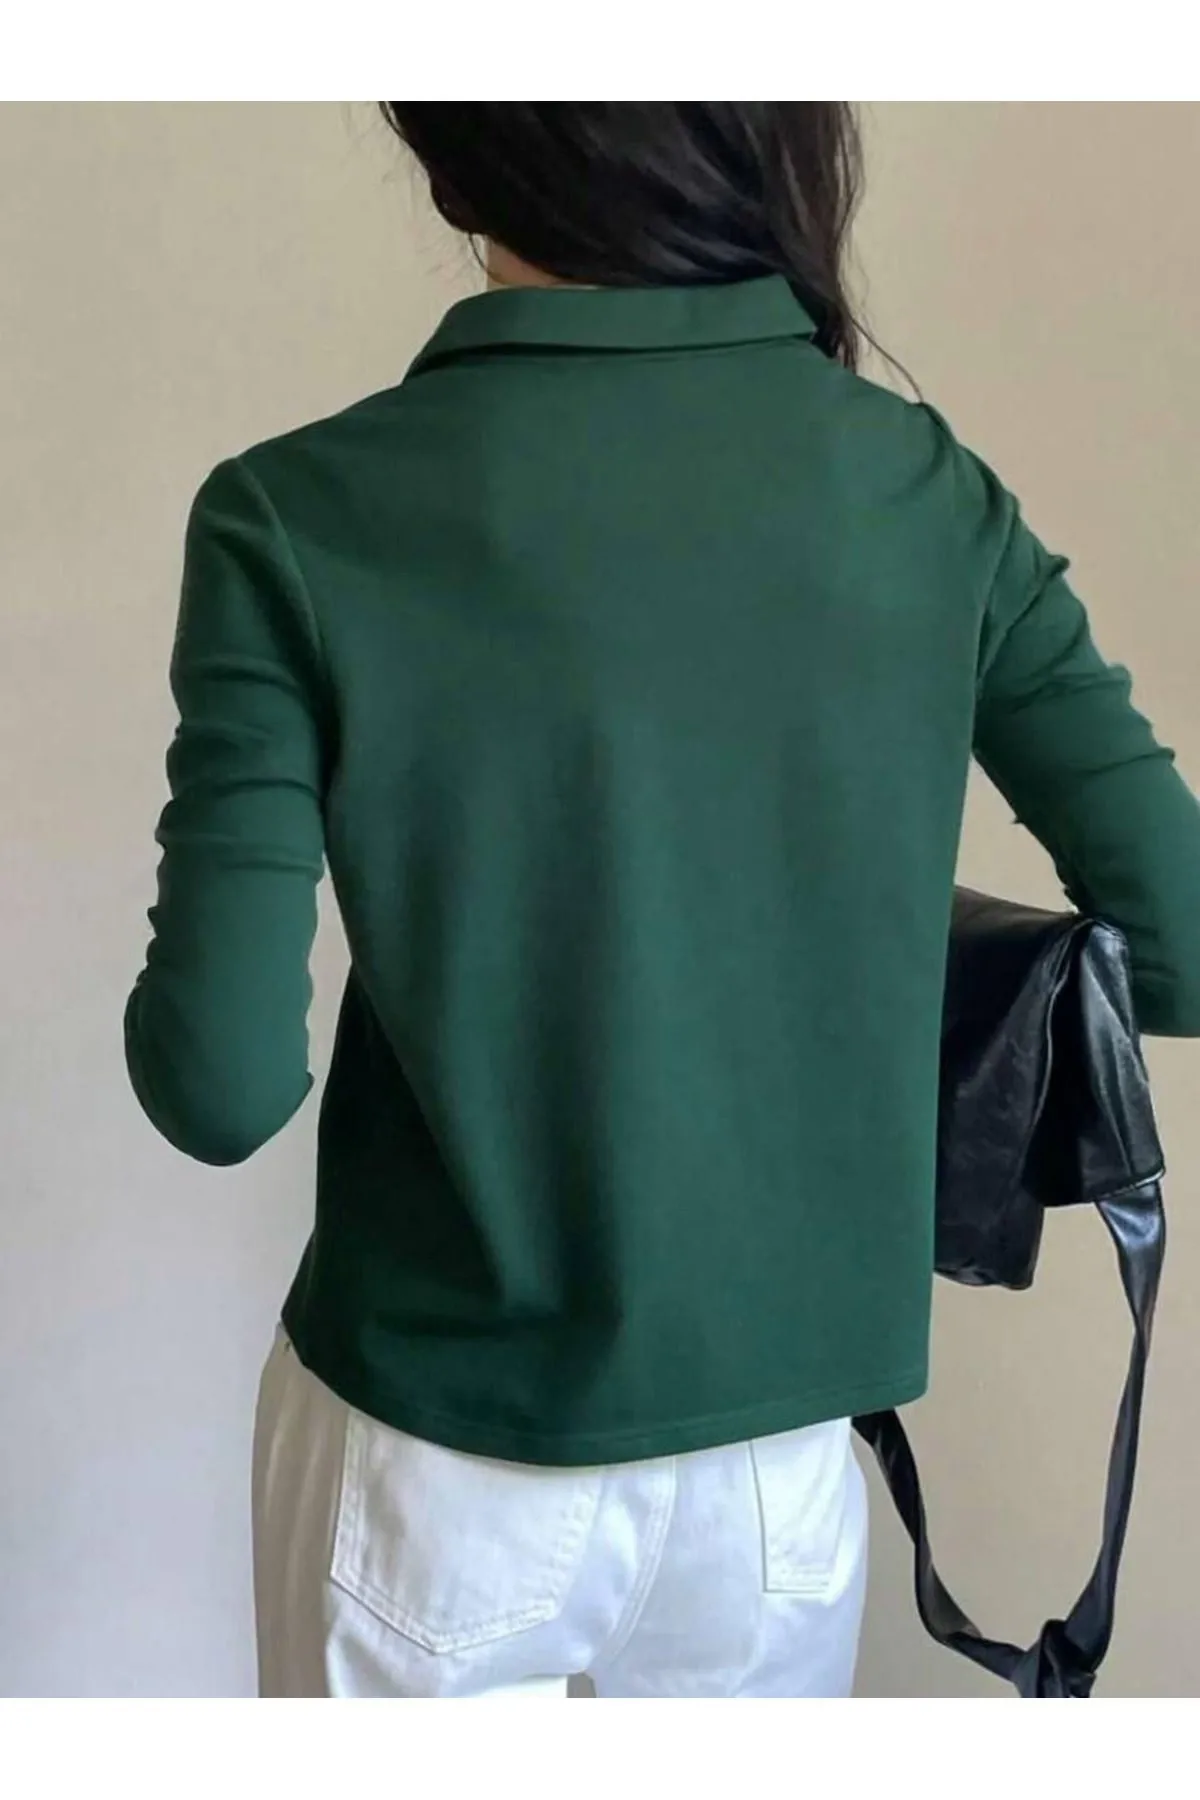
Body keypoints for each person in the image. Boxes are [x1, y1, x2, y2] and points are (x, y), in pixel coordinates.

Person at [125, 102, 1200, 1700]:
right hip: (780, 1486)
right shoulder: (922, 488)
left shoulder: (296, 510)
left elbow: (216, 1090)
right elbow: (1178, 943)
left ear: (458, 165)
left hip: (434, 1461)